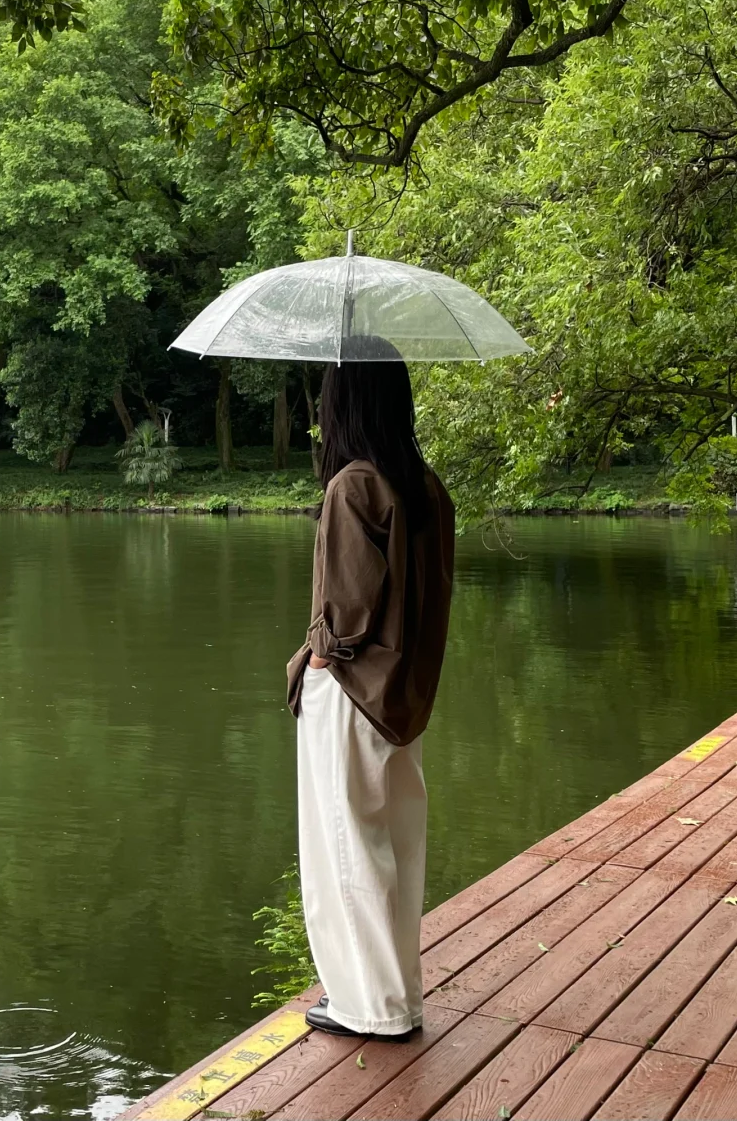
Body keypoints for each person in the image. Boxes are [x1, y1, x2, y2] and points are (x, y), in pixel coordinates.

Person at [286, 346, 455, 1042]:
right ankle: (396, 998)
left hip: (351, 694)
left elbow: (346, 617)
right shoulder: (426, 486)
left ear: (342, 404)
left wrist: (317, 654)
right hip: (404, 697)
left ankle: (371, 1008)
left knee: (344, 846)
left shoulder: (354, 486)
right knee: (396, 846)